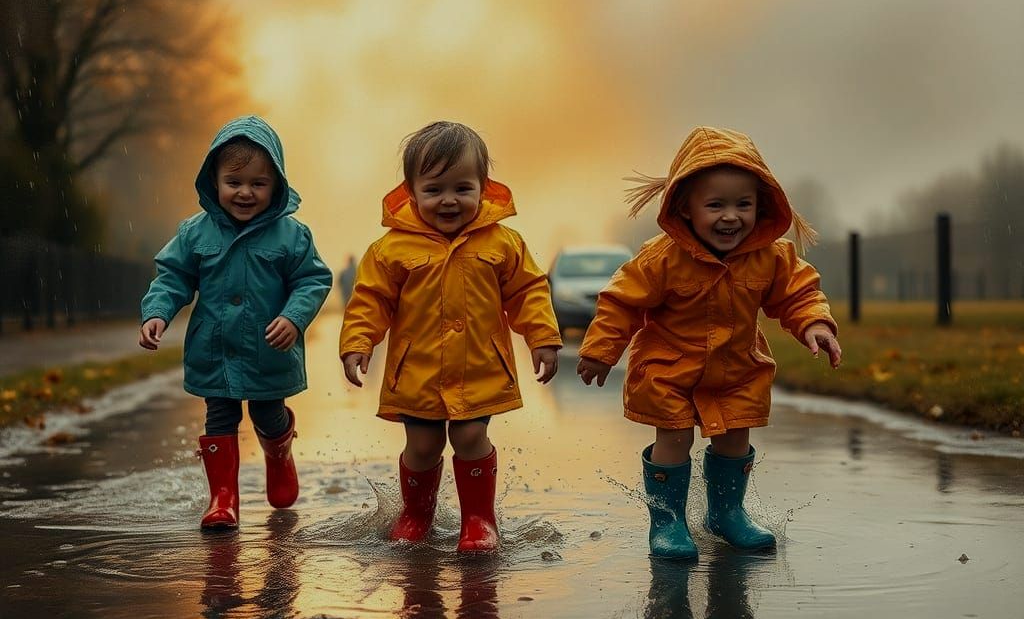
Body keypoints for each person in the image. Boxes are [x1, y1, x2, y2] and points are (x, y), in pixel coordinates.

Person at [577, 126, 841, 559]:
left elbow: (798, 292)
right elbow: (621, 302)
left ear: (761, 205)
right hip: (669, 368)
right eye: (715, 205)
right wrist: (601, 351)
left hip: (737, 367)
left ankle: (726, 513)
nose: (730, 216)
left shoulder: (772, 255)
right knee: (675, 437)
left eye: (744, 204)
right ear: (686, 208)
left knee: (735, 436)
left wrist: (815, 324)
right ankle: (667, 522)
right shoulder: (661, 257)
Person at [340, 121, 561, 552]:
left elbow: (528, 290)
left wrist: (542, 338)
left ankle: (479, 520)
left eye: (462, 188)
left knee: (469, 437)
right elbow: (370, 300)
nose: (449, 200)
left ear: (483, 187)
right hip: (417, 373)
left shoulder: (503, 242)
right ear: (411, 191)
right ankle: (416, 513)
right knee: (422, 445)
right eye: (434, 189)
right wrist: (357, 342)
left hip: (479, 368)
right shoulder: (391, 249)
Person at [139, 115, 333, 530]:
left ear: (276, 185)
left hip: (268, 350)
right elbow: (173, 277)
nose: (245, 192)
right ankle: (223, 499)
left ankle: (279, 453)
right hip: (216, 349)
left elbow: (313, 279)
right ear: (215, 181)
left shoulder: (291, 236)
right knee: (220, 417)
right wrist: (157, 312)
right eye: (234, 182)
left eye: (258, 184)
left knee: (267, 414)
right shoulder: (194, 233)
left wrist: (294, 318)